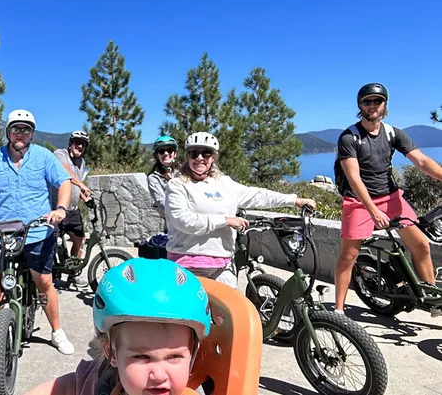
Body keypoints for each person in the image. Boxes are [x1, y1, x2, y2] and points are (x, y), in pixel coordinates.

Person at [0, 109, 77, 355]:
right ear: (8, 131)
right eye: (16, 128)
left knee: (44, 282)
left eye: (26, 129)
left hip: (37, 232)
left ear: (32, 134)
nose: (20, 134)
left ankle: (57, 332)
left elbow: (64, 182)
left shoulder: (44, 157)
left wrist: (60, 209)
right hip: (2, 234)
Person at [24, 258, 212, 395]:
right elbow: (65, 387)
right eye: (142, 357)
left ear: (193, 353)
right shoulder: (98, 381)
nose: (158, 375)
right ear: (111, 352)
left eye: (174, 357)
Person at [334, 83, 442, 317]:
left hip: (392, 197)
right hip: (359, 202)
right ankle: (338, 311)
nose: (372, 106)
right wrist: (373, 211)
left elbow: (421, 162)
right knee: (348, 256)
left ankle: (432, 299)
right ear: (359, 106)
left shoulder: (393, 133)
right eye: (367, 102)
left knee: (421, 245)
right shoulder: (349, 137)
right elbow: (354, 179)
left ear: (385, 105)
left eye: (377, 101)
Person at [165, 132, 316, 288]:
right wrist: (226, 221)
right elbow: (182, 220)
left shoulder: (223, 183)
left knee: (228, 311)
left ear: (213, 157)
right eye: (194, 153)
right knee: (194, 311)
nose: (199, 157)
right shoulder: (177, 185)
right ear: (187, 156)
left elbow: (257, 195)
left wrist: (294, 200)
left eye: (206, 153)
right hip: (189, 262)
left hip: (224, 263)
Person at [50, 130, 92, 264]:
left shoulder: (82, 162)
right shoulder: (60, 154)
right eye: (77, 143)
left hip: (73, 210)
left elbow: (76, 185)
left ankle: (73, 272)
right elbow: (64, 172)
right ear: (70, 143)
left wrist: (85, 198)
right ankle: (50, 274)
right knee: (52, 243)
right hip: (57, 208)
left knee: (80, 240)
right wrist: (82, 185)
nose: (80, 147)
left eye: (83, 145)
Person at [148, 135, 180, 225]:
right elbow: (161, 201)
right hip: (172, 222)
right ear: (157, 156)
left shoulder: (184, 172)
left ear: (175, 154)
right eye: (161, 151)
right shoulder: (154, 178)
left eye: (169, 150)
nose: (166, 153)